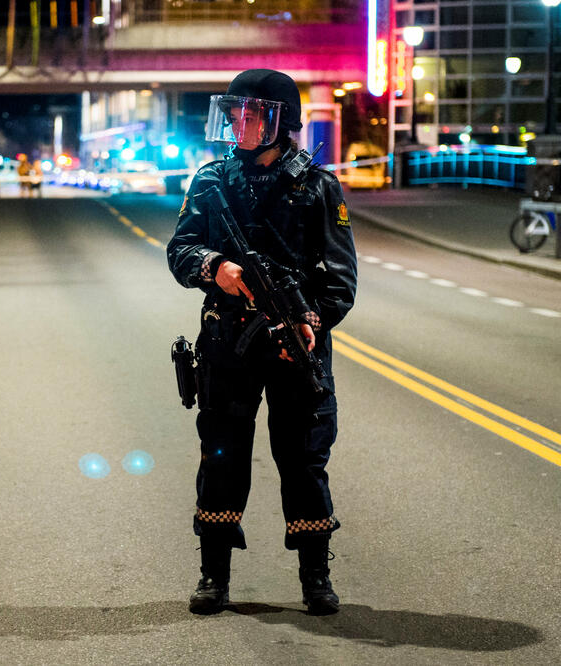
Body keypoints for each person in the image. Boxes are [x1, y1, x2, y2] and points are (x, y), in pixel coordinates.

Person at [167, 69, 357, 615]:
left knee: (303, 459)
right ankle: (213, 576)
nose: (238, 123)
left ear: (280, 122)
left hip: (296, 344)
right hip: (227, 343)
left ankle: (316, 577)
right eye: (234, 113)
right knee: (221, 455)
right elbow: (180, 250)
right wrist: (213, 266)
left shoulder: (318, 187)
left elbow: (340, 277)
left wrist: (312, 321)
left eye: (251, 114)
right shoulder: (211, 181)